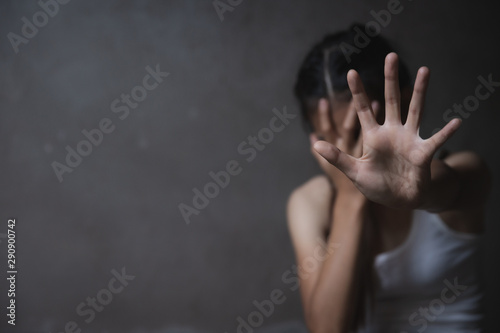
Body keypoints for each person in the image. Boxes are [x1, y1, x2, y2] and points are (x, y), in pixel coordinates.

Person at [287, 24, 490, 333]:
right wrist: (351, 197)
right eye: (327, 139)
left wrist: (420, 192)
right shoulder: (309, 203)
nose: (344, 153)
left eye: (355, 133)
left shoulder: (464, 170)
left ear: (403, 104)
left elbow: (451, 188)